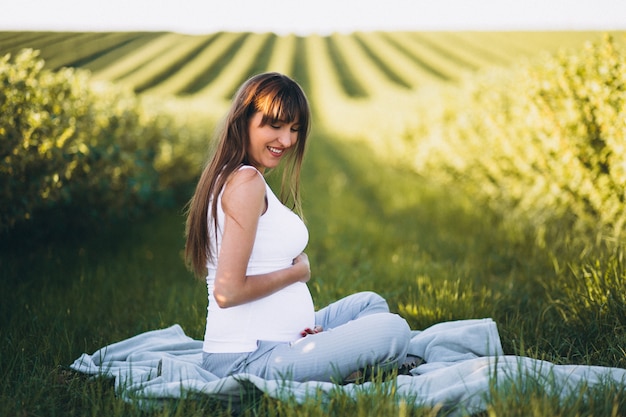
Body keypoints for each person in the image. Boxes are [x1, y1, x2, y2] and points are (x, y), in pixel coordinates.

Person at [184, 72, 411, 383]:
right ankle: (342, 362)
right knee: (393, 330)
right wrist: (298, 272)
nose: (287, 140)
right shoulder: (245, 182)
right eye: (275, 126)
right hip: (249, 359)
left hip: (284, 341)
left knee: (368, 303)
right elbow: (228, 292)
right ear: (243, 120)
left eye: (294, 129)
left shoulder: (241, 176)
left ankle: (326, 350)